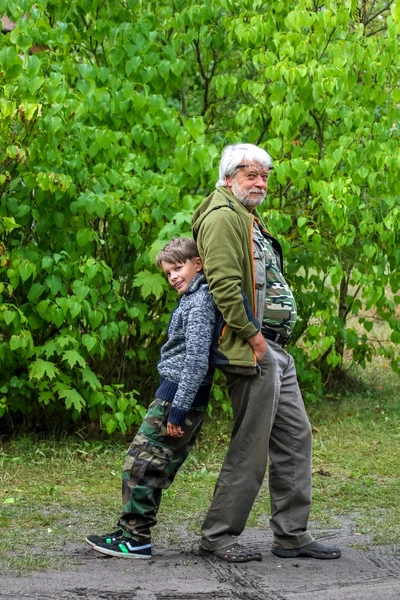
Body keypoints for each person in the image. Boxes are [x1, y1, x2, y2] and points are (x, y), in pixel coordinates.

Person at [192, 143, 341, 563]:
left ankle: (291, 535)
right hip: (251, 348)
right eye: (250, 174)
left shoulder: (247, 214)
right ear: (228, 176)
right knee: (251, 444)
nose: (259, 182)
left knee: (295, 437)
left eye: (264, 175)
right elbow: (223, 285)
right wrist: (256, 340)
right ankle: (218, 536)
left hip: (274, 349)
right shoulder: (222, 216)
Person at [86, 237, 217, 559]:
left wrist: (178, 410)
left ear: (197, 264)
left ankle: (135, 539)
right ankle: (129, 531)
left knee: (143, 467)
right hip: (171, 394)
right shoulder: (191, 298)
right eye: (167, 272)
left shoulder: (200, 302)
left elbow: (197, 360)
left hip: (179, 400)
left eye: (178, 267)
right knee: (143, 465)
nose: (172, 276)